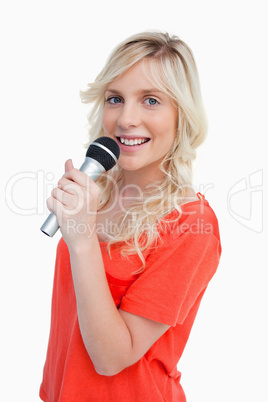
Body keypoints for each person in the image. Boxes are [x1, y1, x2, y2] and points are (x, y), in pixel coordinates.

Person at [39, 31, 222, 401]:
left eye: (151, 100)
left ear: (181, 115)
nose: (126, 119)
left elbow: (111, 359)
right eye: (115, 99)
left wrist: (83, 239)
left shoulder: (191, 224)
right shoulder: (100, 192)